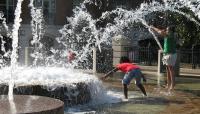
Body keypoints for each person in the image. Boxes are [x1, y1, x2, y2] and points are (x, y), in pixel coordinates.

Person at [150, 25, 177, 91]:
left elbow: (160, 32)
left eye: (167, 30)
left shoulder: (171, 35)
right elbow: (161, 32)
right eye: (166, 30)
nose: (166, 31)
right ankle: (168, 84)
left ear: (171, 31)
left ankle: (172, 85)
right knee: (168, 70)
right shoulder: (169, 35)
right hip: (167, 54)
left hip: (170, 54)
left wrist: (153, 27)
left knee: (171, 70)